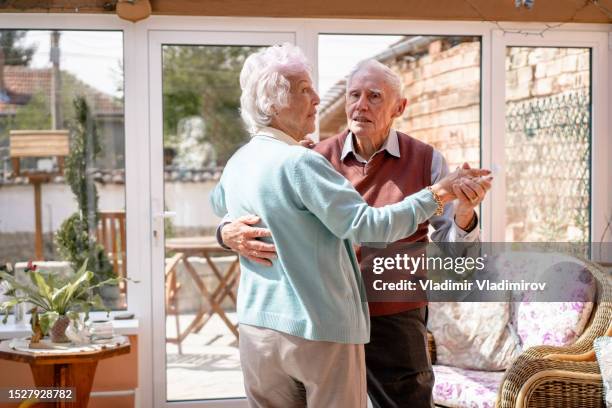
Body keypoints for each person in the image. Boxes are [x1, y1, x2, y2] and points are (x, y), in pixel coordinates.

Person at [209, 44, 490, 408]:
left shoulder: (426, 159)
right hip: (322, 320)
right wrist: (225, 233)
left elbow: (457, 253)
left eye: (375, 97)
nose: (360, 105)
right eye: (353, 95)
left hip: (392, 315)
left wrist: (463, 212)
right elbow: (366, 225)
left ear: (398, 108)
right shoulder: (309, 157)